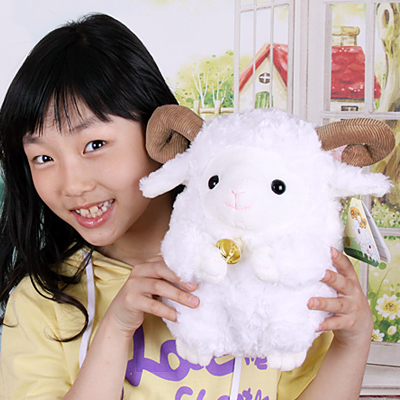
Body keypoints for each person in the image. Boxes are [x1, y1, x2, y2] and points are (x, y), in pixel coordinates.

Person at [0, 13, 373, 400]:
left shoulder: (272, 271)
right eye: (43, 158)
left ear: (160, 134)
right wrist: (116, 328)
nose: (72, 185)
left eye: (94, 145)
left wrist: (354, 340)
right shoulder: (41, 302)